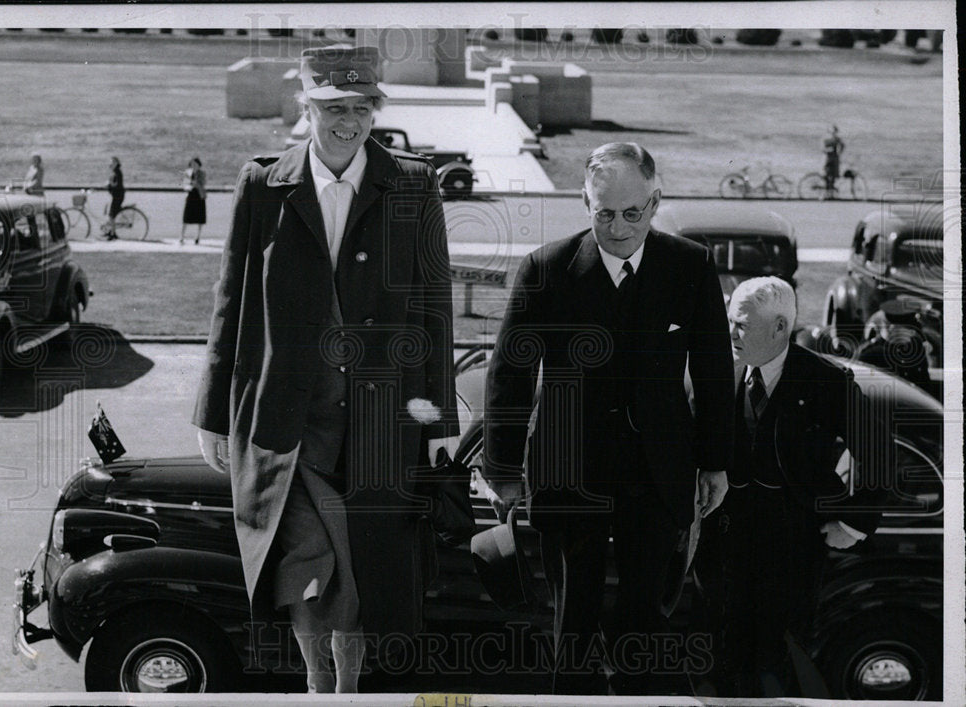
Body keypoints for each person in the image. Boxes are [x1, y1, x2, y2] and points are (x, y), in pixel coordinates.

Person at [192, 45, 459, 694]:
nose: (350, 120)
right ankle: (319, 684)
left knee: (361, 570)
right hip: (290, 423)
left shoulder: (413, 185)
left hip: (377, 424)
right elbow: (232, 304)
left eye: (362, 107)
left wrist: (439, 414)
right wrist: (212, 413)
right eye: (334, 107)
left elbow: (433, 308)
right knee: (308, 570)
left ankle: (346, 688)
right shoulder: (262, 184)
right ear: (306, 107)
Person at [482, 142, 735, 695]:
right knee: (573, 622)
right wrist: (502, 470)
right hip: (569, 475)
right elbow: (509, 375)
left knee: (645, 621)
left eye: (631, 213)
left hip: (657, 475)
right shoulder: (546, 270)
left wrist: (716, 463)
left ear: (655, 200)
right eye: (603, 213)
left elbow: (716, 371)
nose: (618, 227)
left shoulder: (689, 265)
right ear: (584, 202)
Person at [712, 277, 893, 697]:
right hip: (724, 547)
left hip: (791, 547)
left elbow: (880, 454)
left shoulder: (825, 381)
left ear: (779, 328)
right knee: (724, 659)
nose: (731, 333)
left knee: (779, 661)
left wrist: (852, 523)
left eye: (741, 324)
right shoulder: (723, 370)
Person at [853, 298, 933, 393]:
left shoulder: (916, 347)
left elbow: (925, 382)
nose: (912, 334)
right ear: (892, 329)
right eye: (908, 330)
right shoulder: (871, 355)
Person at [180, 156, 207, 245]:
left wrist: (196, 183)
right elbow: (184, 184)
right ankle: (182, 237)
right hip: (191, 195)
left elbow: (203, 184)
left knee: (200, 218)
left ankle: (197, 237)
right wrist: (187, 186)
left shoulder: (202, 173)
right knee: (186, 217)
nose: (194, 166)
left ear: (199, 165)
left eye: (195, 164)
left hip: (199, 196)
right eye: (192, 164)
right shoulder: (188, 173)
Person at [105, 156, 124, 239]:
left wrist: (109, 183)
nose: (110, 164)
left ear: (116, 163)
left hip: (117, 196)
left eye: (112, 162)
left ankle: (113, 234)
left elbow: (116, 185)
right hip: (115, 195)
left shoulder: (117, 173)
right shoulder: (115, 172)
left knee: (112, 215)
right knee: (110, 214)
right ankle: (110, 231)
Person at [822, 124, 844, 196]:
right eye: (832, 131)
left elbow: (842, 145)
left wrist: (839, 152)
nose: (833, 133)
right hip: (827, 158)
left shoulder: (837, 139)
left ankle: (831, 193)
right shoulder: (826, 139)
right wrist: (828, 150)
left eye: (834, 131)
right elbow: (822, 149)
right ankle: (826, 192)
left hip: (835, 159)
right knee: (827, 175)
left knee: (833, 175)